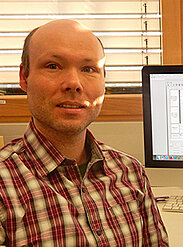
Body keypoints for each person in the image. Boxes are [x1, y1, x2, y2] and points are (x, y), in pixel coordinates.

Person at [0, 19, 168, 246]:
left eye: (89, 69)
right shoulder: (4, 186)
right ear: (24, 77)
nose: (73, 83)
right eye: (53, 66)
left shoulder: (130, 172)